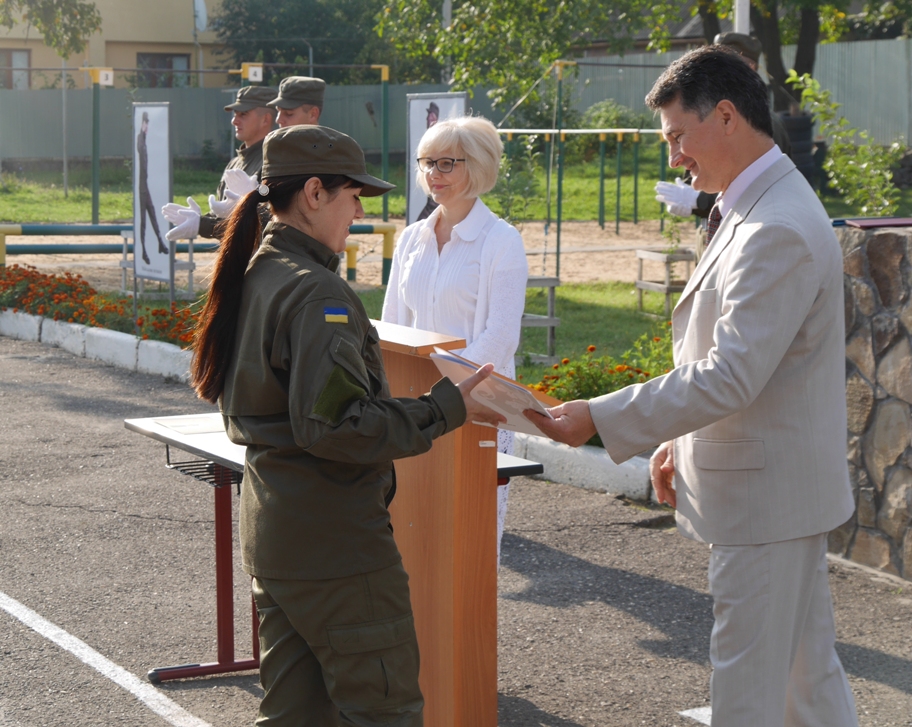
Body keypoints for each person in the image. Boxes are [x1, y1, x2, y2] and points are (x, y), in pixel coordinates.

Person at [528, 46, 857, 727]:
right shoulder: (759, 204)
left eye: (679, 136)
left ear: (728, 116)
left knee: (749, 696)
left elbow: (731, 372)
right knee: (806, 684)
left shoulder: (773, 224)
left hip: (766, 504)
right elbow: (738, 362)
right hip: (776, 494)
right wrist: (678, 438)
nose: (675, 157)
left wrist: (597, 415)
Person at [190, 124, 503, 725]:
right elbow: (336, 427)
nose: (360, 210)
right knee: (381, 710)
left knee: (295, 714)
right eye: (353, 195)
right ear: (314, 192)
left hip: (278, 533)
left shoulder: (260, 271)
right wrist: (444, 408)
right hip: (335, 544)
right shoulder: (316, 295)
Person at [381, 115, 528, 564]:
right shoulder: (411, 239)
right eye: (426, 163)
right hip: (414, 410)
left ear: (479, 165)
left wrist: (448, 396)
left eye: (446, 163)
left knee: (469, 547)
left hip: (477, 410)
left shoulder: (501, 241)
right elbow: (392, 324)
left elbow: (500, 336)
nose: (432, 175)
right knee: (412, 536)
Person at [655, 32, 792, 222]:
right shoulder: (706, 115)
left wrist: (699, 201)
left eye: (730, 63)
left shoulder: (762, 122)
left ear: (751, 67)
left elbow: (751, 185)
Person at [162, 85, 277, 241]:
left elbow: (268, 225)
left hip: (259, 262)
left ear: (266, 119)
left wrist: (202, 225)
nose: (234, 121)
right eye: (235, 114)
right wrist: (200, 220)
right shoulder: (235, 163)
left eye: (243, 114)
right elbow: (225, 220)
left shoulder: (273, 162)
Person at [136, 111, 168, 264]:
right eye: (145, 124)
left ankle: (160, 243)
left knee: (153, 215)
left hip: (146, 185)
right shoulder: (140, 140)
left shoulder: (146, 141)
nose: (147, 127)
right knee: (143, 220)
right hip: (142, 187)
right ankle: (143, 250)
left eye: (147, 124)